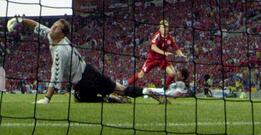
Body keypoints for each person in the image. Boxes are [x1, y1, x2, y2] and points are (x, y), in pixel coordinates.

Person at [6, 16, 163, 104]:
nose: (52, 28)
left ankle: (124, 96)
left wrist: (47, 98)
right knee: (111, 89)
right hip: (88, 72)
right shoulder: (52, 36)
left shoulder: (61, 50)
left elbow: (55, 77)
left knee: (88, 97)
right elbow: (36, 26)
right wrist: (20, 20)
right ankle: (134, 93)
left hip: (85, 80)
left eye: (56, 28)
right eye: (53, 26)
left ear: (62, 34)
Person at [127, 19, 186, 88]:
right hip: (152, 59)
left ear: (168, 28)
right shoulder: (157, 35)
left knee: (172, 74)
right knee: (141, 75)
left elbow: (176, 48)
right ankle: (126, 84)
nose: (164, 28)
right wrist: (164, 52)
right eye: (163, 27)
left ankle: (164, 91)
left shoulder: (170, 38)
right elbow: (153, 47)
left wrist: (182, 54)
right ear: (160, 28)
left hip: (162, 59)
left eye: (166, 27)